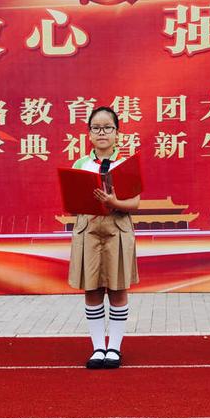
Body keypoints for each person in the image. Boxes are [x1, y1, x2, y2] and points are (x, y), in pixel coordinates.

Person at [69, 106, 139, 369]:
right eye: (96, 128)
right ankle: (98, 347)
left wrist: (114, 201)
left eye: (107, 128)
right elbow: (71, 203)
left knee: (118, 289)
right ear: (89, 134)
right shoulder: (80, 164)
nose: (102, 133)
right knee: (93, 289)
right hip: (88, 228)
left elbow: (136, 203)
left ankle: (115, 348)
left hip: (117, 228)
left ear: (117, 133)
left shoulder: (126, 163)